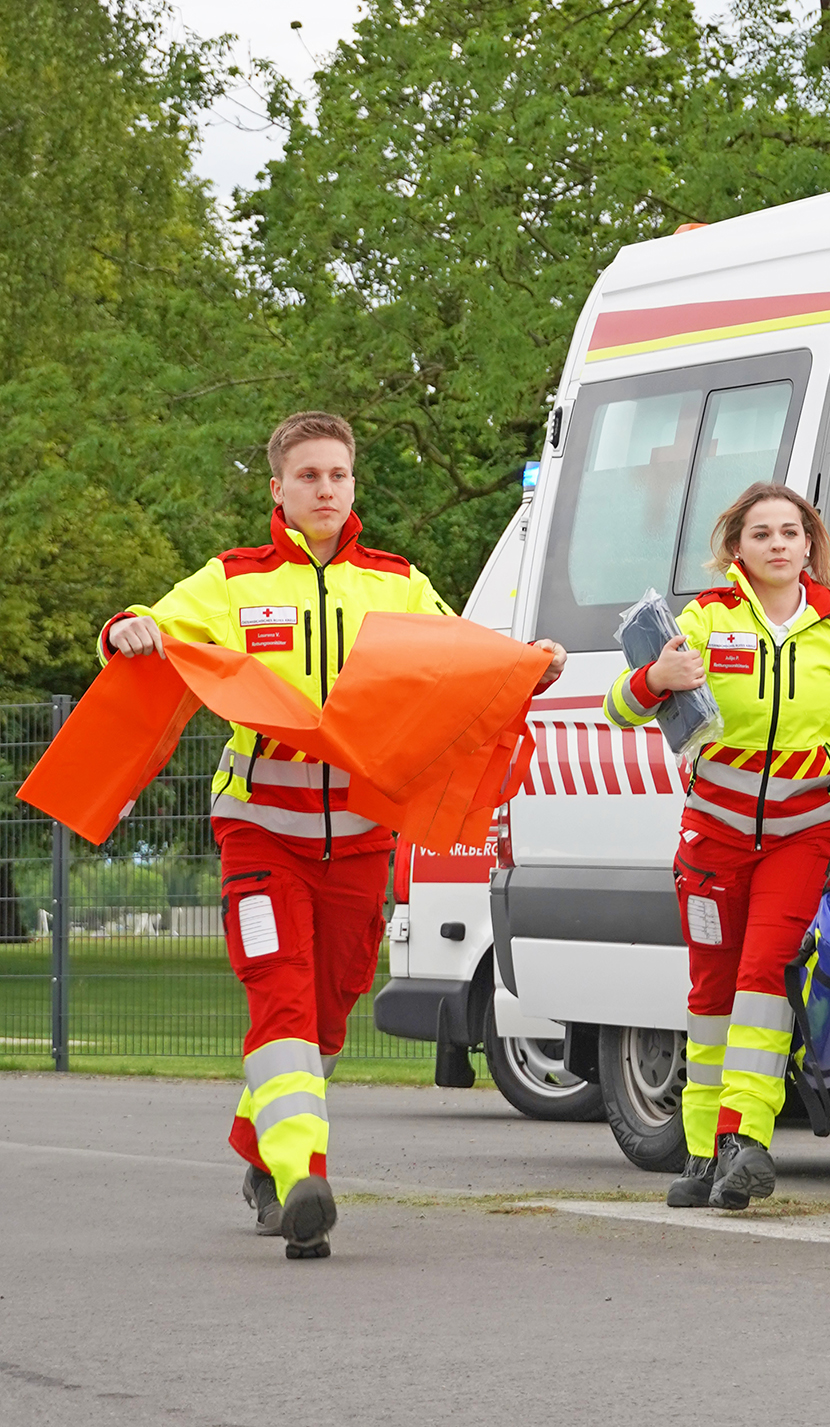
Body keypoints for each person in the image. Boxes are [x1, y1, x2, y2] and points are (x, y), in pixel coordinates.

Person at [100, 411, 565, 1259]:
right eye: (308, 475)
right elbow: (156, 627)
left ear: (353, 484)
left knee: (325, 1017)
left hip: (359, 833)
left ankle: (260, 1146)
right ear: (276, 488)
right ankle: (302, 1176)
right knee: (279, 995)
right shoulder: (234, 580)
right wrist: (125, 628)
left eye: (338, 475)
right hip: (259, 831)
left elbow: (461, 660)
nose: (325, 488)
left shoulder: (395, 581)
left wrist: (528, 661)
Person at [604, 482, 830, 1209]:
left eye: (790, 533)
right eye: (761, 533)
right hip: (715, 833)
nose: (777, 544)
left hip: (808, 831)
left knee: (765, 976)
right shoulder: (703, 620)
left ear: (810, 545)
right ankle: (703, 1153)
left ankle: (746, 1138)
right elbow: (620, 705)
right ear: (736, 547)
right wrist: (655, 677)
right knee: (711, 992)